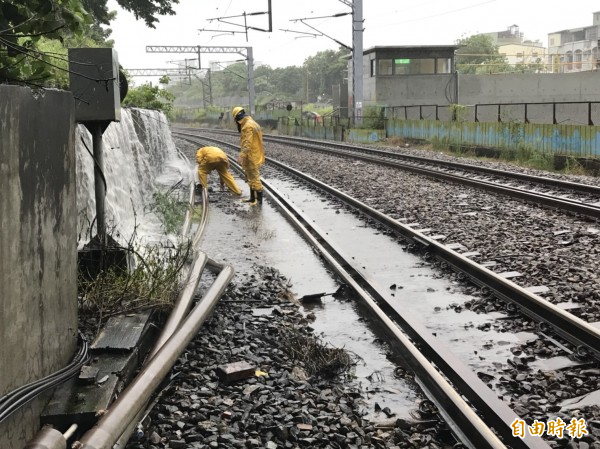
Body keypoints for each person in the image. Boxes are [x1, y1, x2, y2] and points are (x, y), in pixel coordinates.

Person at [232, 106, 265, 205]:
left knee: (254, 177)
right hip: (254, 153)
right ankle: (252, 198)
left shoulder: (247, 126)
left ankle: (259, 201)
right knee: (250, 176)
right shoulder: (252, 123)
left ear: (238, 117)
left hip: (251, 155)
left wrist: (242, 155)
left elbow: (247, 143)